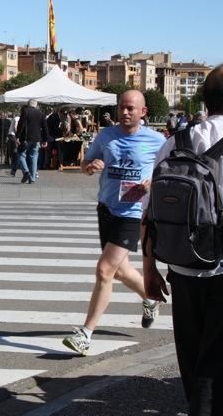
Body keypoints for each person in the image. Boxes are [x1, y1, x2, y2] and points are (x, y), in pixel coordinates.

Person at [142, 65, 223, 416]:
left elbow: (150, 210)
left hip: (182, 265)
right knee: (212, 363)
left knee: (192, 361)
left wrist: (148, 269)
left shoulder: (178, 140)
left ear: (204, 101)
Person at [62, 90, 165, 356]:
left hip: (133, 212)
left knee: (104, 270)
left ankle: (85, 334)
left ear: (143, 112)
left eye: (131, 108)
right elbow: (85, 163)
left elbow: (169, 171)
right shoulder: (106, 136)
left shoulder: (156, 140)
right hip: (107, 208)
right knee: (120, 271)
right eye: (121, 107)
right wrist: (90, 165)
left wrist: (150, 183)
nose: (125, 112)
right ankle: (150, 298)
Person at [16, 99, 48, 184]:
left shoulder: (25, 112)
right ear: (36, 105)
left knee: (21, 155)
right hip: (37, 139)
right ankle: (32, 178)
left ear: (28, 105)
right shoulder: (40, 113)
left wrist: (17, 136)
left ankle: (26, 172)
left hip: (26, 138)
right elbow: (45, 127)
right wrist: (45, 139)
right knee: (34, 157)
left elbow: (21, 124)